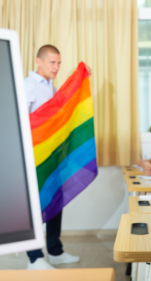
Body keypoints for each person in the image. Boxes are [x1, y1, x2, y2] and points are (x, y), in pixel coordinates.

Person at [25, 45, 87, 269]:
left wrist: (80, 79)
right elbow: (22, 122)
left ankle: (54, 250)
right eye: (52, 62)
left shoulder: (51, 87)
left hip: (53, 156)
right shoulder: (28, 86)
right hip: (34, 158)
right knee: (33, 205)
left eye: (59, 63)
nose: (56, 67)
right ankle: (34, 257)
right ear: (38, 61)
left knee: (55, 201)